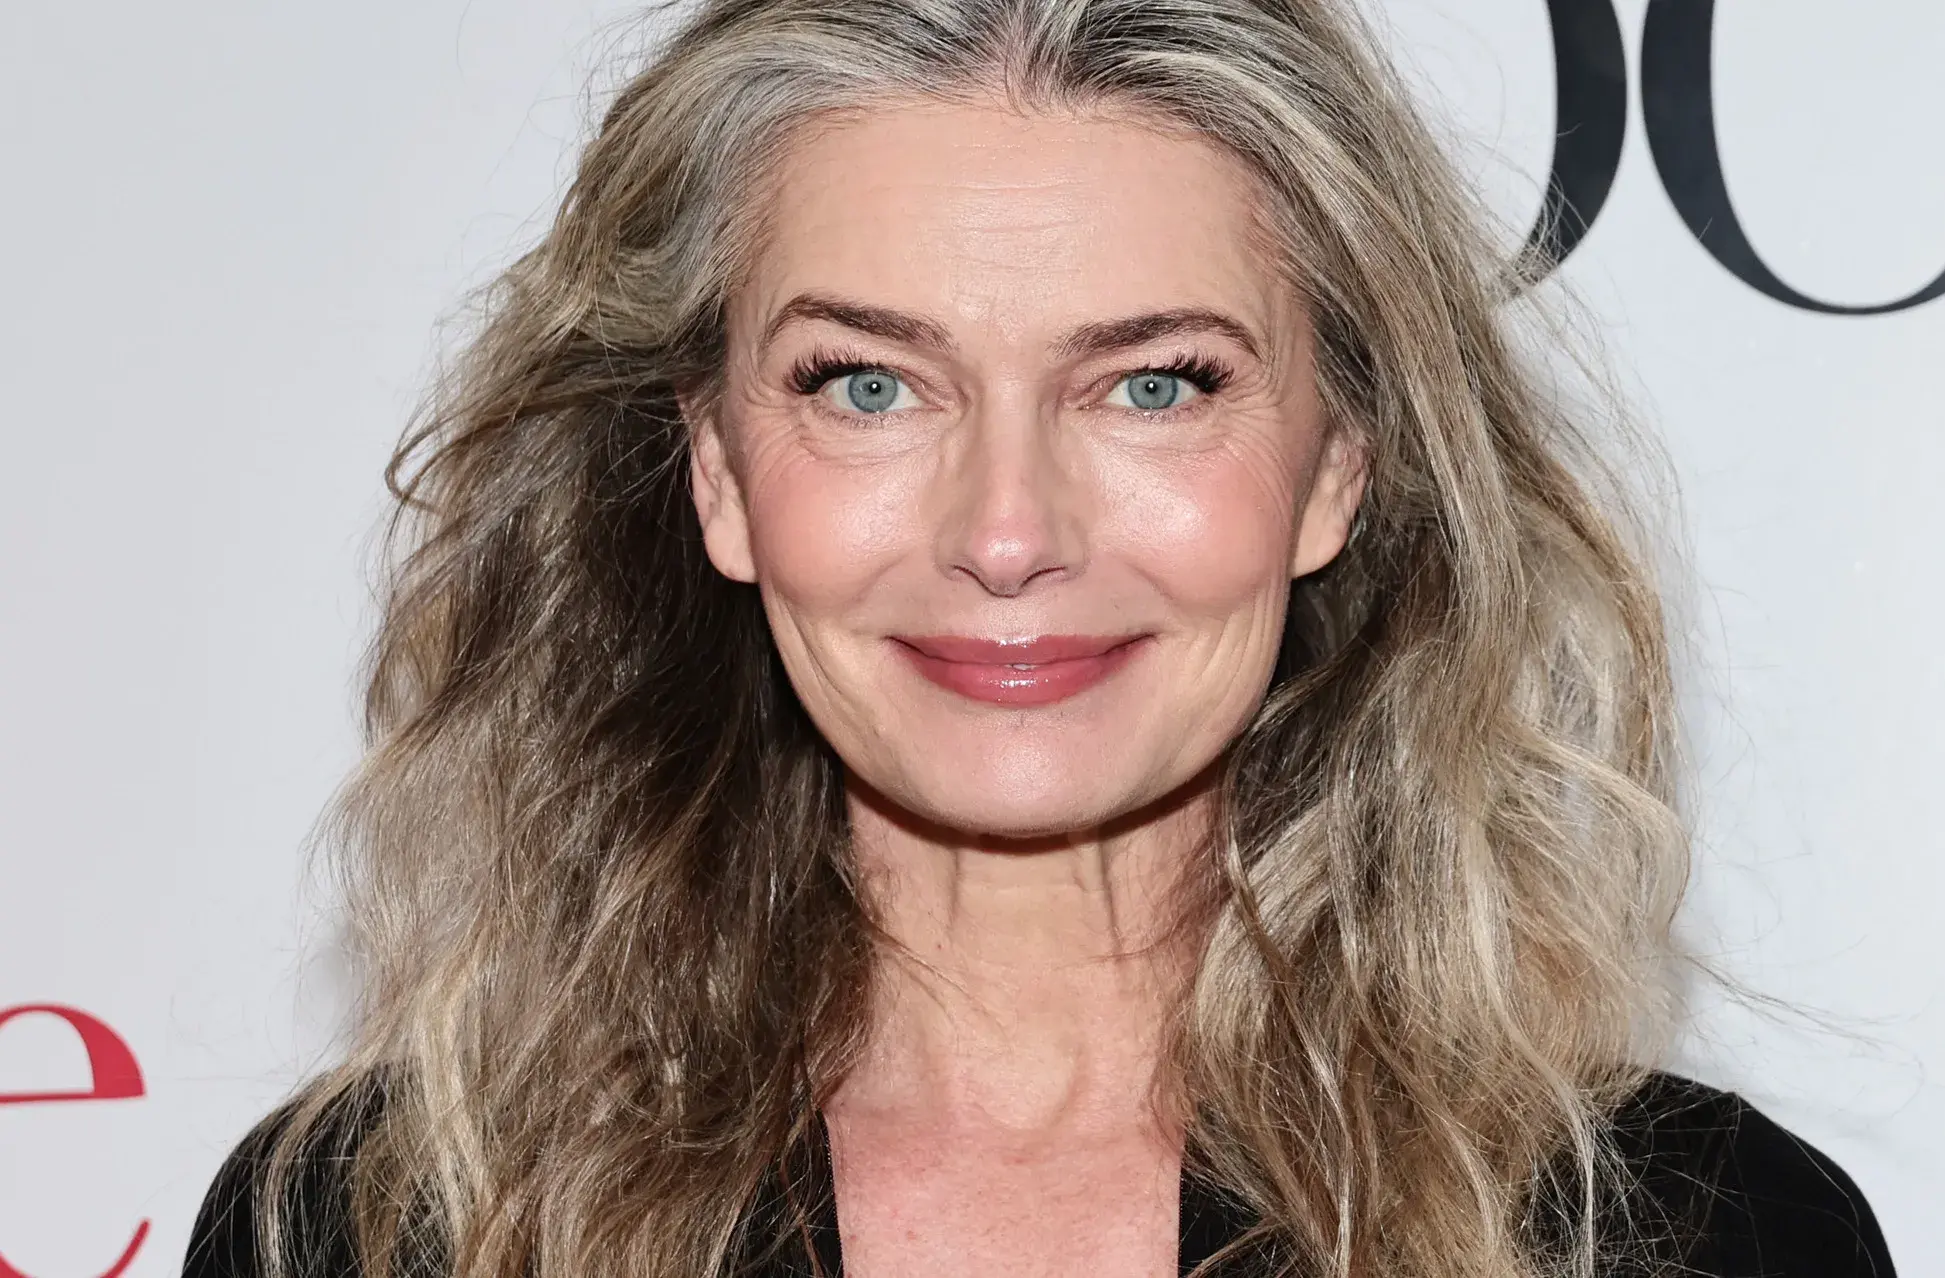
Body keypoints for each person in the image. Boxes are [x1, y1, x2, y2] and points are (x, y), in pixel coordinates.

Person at [182, 0, 1898, 1275]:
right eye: (869, 385)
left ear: (1336, 469)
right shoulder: (378, 1224)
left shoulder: (1694, 1235)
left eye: (1154, 385)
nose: (1007, 533)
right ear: (716, 472)